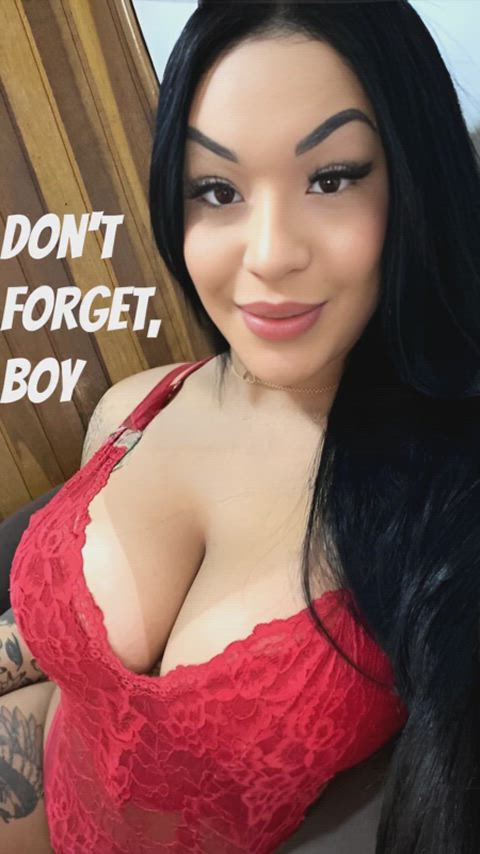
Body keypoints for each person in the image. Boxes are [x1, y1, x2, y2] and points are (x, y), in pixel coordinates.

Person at [2, 0, 480, 851]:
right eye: (216, 190)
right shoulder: (132, 409)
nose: (268, 255)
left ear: (417, 183)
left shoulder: (447, 506)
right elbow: (59, 650)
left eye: (333, 178)